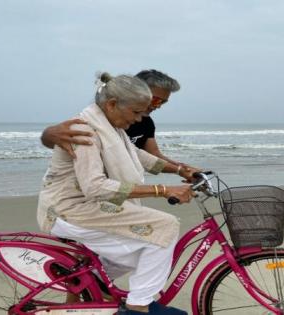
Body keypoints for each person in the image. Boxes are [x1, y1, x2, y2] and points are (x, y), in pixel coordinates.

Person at [37, 72, 194, 315]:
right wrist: (163, 190)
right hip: (68, 210)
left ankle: (91, 288)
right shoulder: (85, 130)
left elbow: (140, 156)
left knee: (147, 247)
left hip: (86, 207)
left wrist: (182, 170)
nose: (140, 118)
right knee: (165, 226)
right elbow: (95, 187)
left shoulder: (111, 125)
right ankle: (137, 306)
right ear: (111, 104)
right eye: (137, 112)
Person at [41, 69, 191, 169]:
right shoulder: (104, 117)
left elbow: (152, 155)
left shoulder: (146, 123)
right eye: (156, 100)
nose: (158, 106)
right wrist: (48, 134)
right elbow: (64, 138)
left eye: (163, 103)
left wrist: (182, 169)